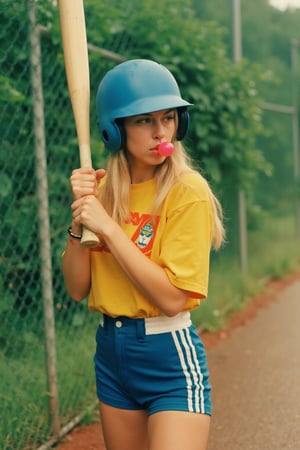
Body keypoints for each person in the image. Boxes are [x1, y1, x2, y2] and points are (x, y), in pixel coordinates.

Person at [62, 59, 225, 450]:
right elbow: (76, 288)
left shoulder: (187, 191)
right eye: (143, 121)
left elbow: (172, 298)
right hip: (112, 355)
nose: (160, 132)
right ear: (115, 130)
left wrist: (108, 229)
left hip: (168, 355)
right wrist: (80, 219)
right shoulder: (103, 195)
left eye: (168, 118)